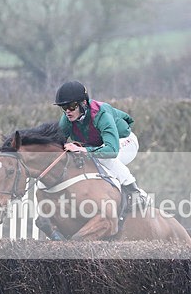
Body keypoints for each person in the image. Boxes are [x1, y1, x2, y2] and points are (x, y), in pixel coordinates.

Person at [54, 80, 148, 209]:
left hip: (124, 142)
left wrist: (84, 150)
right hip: (100, 145)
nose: (67, 111)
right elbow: (55, 144)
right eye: (64, 108)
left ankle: (135, 191)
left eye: (71, 106)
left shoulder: (101, 114)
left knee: (101, 158)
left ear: (83, 103)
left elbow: (112, 151)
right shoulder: (66, 119)